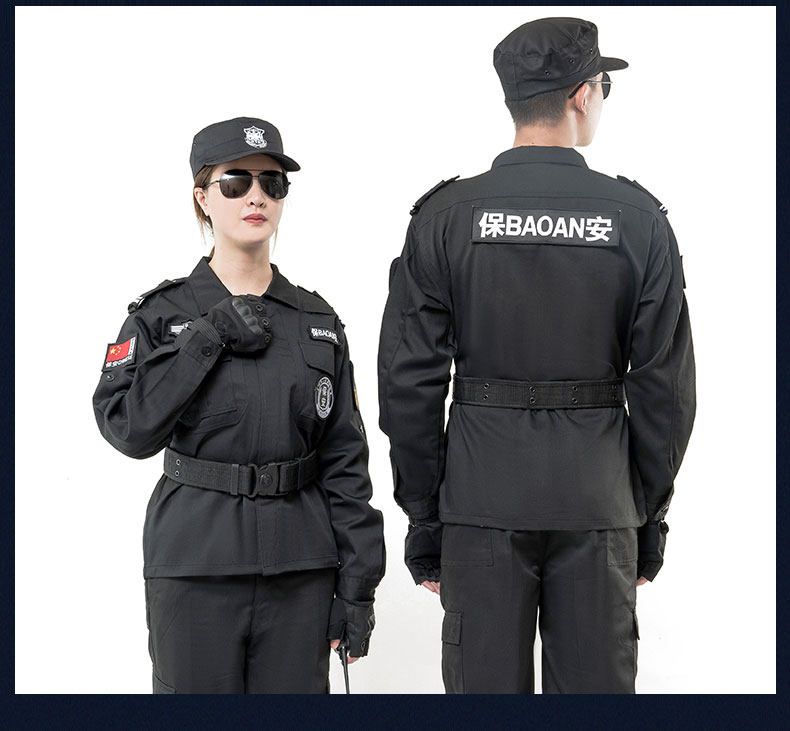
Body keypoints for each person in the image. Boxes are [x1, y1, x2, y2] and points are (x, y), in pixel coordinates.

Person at [377, 18, 695, 693]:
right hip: (597, 501)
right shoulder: (638, 221)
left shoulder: (445, 218)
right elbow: (665, 391)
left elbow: (408, 384)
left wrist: (427, 515)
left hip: (480, 501)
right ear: (581, 94)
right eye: (603, 85)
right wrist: (645, 512)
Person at [93, 117, 385, 693]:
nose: (257, 196)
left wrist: (357, 586)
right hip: (195, 566)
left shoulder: (317, 321)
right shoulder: (160, 316)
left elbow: (345, 462)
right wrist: (206, 338)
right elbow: (129, 430)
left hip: (300, 569)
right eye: (235, 182)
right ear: (202, 197)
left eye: (272, 183)